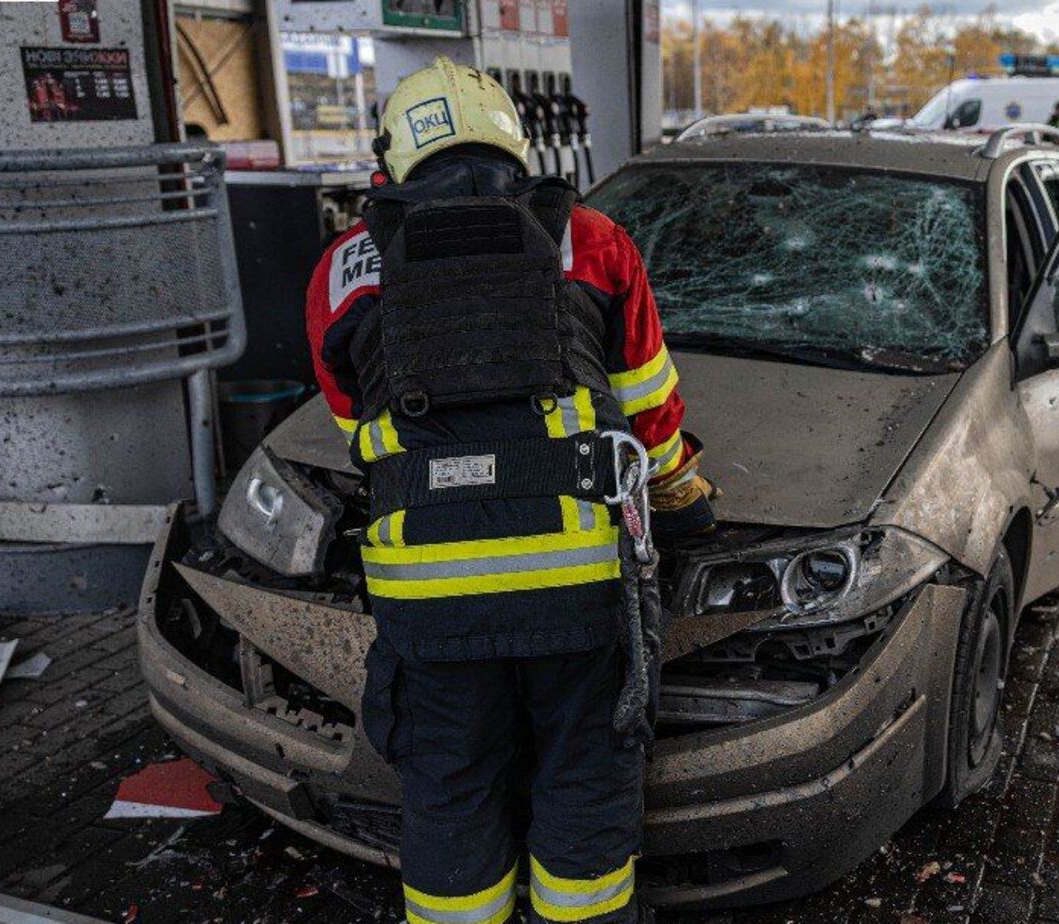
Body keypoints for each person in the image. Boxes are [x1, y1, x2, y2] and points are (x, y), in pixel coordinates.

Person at [303, 58, 715, 924]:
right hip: (577, 585)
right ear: (516, 147)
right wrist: (681, 493)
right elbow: (647, 411)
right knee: (584, 778)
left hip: (430, 595)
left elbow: (355, 430)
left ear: (393, 157)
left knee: (449, 788)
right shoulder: (593, 242)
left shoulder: (342, 271)